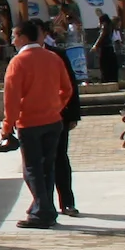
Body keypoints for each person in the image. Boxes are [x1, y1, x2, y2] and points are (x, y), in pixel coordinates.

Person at [0, 19, 73, 229]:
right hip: (53, 120)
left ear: (23, 37)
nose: (12, 41)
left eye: (14, 36)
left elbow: (11, 99)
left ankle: (42, 211)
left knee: (32, 169)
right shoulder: (53, 58)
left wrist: (7, 127)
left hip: (29, 123)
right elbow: (67, 89)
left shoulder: (18, 62)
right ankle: (45, 209)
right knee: (47, 168)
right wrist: (55, 106)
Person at [45, 29, 82, 218]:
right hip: (33, 119)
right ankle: (44, 205)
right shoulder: (21, 57)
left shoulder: (57, 55)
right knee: (39, 164)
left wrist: (73, 115)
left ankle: (67, 202)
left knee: (60, 158)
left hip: (59, 116)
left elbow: (70, 85)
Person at [92, 18, 121, 85]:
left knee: (107, 67)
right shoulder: (108, 28)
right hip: (107, 49)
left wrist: (96, 46)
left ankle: (108, 80)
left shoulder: (109, 29)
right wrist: (96, 46)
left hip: (107, 49)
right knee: (108, 67)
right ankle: (110, 80)